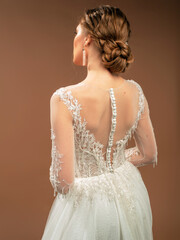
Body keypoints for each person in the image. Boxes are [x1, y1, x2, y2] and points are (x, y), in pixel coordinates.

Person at [41, 4, 158, 240]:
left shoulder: (64, 98)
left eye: (76, 32)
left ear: (87, 40)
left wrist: (95, 169)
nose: (74, 38)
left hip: (87, 207)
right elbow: (149, 154)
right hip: (129, 195)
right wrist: (112, 164)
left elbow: (63, 182)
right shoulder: (135, 91)